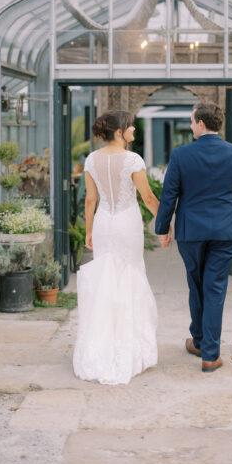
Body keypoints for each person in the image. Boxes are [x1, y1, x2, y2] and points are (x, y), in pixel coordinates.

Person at [155, 101, 232, 373]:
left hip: (191, 233)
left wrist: (162, 229)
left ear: (201, 123)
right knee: (214, 287)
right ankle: (205, 347)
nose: (190, 126)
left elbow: (169, 195)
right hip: (225, 232)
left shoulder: (181, 155)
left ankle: (204, 346)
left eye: (191, 122)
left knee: (197, 284)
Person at [72, 111, 159, 385]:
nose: (133, 128)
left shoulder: (91, 159)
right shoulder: (132, 159)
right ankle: (128, 346)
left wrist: (88, 232)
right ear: (119, 132)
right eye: (129, 125)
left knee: (105, 280)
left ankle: (100, 344)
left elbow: (90, 200)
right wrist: (166, 222)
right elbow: (147, 196)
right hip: (126, 223)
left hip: (103, 224)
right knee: (129, 277)